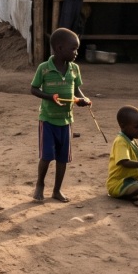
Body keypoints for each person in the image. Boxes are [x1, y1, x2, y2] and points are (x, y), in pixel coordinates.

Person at [30, 27, 91, 202]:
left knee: (63, 158)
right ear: (59, 48)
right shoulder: (44, 69)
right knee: (47, 156)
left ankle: (57, 190)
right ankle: (40, 184)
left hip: (66, 120)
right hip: (48, 119)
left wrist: (82, 99)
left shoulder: (74, 69)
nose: (76, 53)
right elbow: (33, 89)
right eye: (73, 49)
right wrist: (50, 97)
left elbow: (76, 88)